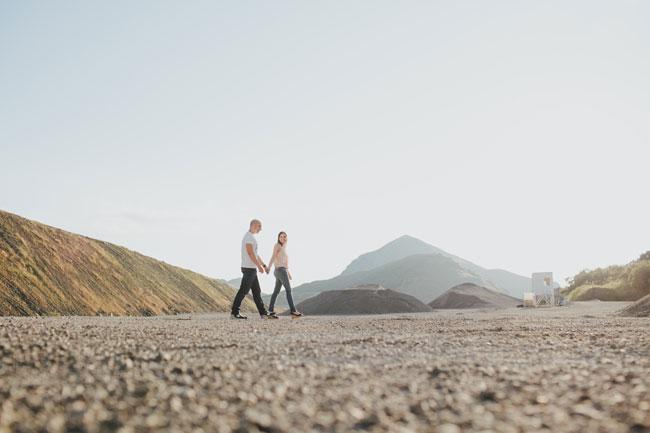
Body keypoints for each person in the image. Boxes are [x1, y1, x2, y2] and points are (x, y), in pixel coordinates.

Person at [230, 219, 277, 320]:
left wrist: (263, 265)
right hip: (249, 268)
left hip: (251, 268)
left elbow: (256, 254)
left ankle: (263, 314)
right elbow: (250, 253)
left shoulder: (251, 237)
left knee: (256, 291)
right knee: (244, 290)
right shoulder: (248, 237)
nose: (261, 229)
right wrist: (258, 266)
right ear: (254, 225)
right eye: (259, 226)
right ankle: (234, 313)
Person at [267, 231, 302, 317]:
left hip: (282, 271)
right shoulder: (277, 245)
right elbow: (273, 256)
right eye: (281, 236)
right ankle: (293, 311)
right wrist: (268, 267)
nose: (283, 238)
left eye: (284, 236)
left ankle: (270, 310)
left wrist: (288, 273)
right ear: (278, 238)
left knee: (276, 291)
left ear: (286, 238)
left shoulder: (284, 248)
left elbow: (285, 263)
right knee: (288, 290)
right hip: (280, 270)